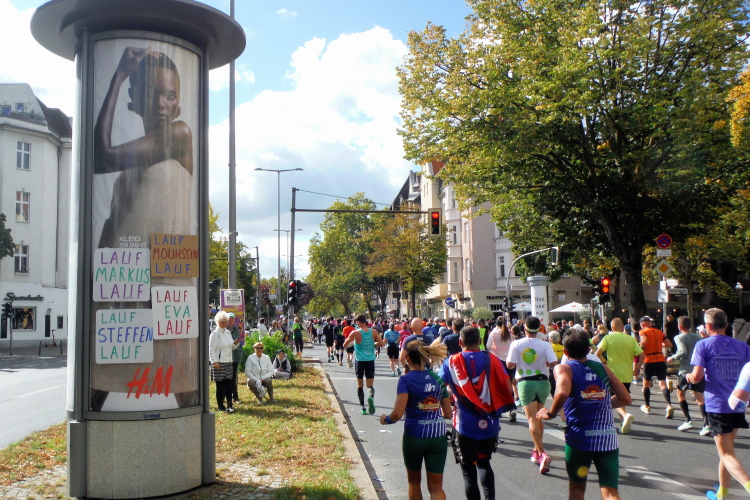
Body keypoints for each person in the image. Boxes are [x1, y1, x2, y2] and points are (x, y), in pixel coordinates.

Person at [537, 329, 632, 500]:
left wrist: (550, 414)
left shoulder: (564, 368)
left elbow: (562, 392)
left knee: (577, 488)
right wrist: (600, 402)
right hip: (607, 440)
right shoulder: (603, 368)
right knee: (611, 493)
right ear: (589, 350)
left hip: (579, 440)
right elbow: (625, 398)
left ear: (565, 351)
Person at [439, 325, 515, 500]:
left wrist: (450, 398)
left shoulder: (451, 362)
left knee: (468, 471)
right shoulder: (493, 359)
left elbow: (439, 387)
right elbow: (507, 387)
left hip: (464, 425)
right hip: (490, 423)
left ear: (460, 342)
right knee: (484, 464)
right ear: (480, 341)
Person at [685, 308, 750, 500]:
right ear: (726, 324)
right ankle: (722, 493)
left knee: (726, 455)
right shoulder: (742, 346)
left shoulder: (703, 345)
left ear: (708, 326)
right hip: (737, 403)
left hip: (717, 404)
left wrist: (688, 377)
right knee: (727, 451)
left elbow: (697, 377)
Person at [380, 340, 452, 500]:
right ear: (426, 357)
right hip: (438, 436)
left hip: (415, 436)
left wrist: (386, 420)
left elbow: (397, 414)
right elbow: (448, 414)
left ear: (407, 358)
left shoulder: (405, 380)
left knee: (414, 482)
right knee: (436, 486)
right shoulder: (438, 380)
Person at [507, 316, 558, 473]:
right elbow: (554, 363)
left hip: (525, 382)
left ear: (525, 329)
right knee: (539, 417)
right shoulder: (545, 344)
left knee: (532, 419)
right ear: (539, 328)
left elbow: (509, 364)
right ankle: (536, 451)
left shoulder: (516, 344)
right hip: (542, 382)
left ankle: (542, 453)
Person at [595, 317, 644, 434]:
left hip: (612, 373)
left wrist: (605, 362)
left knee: (616, 398)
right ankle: (623, 422)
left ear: (612, 327)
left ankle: (625, 415)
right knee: (620, 398)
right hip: (627, 374)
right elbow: (642, 355)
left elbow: (597, 353)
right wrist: (637, 368)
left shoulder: (608, 338)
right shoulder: (631, 339)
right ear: (623, 327)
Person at [666, 316, 708, 434]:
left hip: (685, 370)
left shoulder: (679, 337)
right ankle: (706, 424)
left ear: (679, 327)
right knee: (699, 397)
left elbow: (682, 351)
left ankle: (688, 420)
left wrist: (672, 358)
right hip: (698, 369)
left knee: (680, 394)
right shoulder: (698, 337)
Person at [343, 314, 385, 415]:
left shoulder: (355, 332)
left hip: (360, 361)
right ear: (365, 321)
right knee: (370, 385)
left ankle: (363, 408)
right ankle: (371, 397)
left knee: (360, 385)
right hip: (370, 360)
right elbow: (382, 344)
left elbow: (345, 344)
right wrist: (374, 344)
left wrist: (353, 343)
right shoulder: (373, 331)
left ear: (358, 322)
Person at [638, 316, 674, 418]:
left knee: (646, 384)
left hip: (649, 359)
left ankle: (647, 406)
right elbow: (669, 344)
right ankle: (669, 405)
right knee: (663, 384)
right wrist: (658, 345)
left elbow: (644, 341)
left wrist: (640, 348)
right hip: (660, 359)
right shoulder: (659, 332)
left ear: (642, 324)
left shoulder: (643, 332)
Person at [486, 318, 519, 421]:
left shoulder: (494, 333)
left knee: (497, 385)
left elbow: (488, 346)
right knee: (510, 384)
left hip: (498, 361)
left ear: (496, 324)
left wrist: (495, 349)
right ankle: (511, 410)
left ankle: (498, 409)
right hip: (509, 361)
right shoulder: (509, 333)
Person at [209, 311, 240, 413]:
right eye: (222, 322)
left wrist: (235, 344)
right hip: (219, 363)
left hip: (228, 362)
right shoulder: (215, 334)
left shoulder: (227, 332)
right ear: (217, 322)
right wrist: (214, 362)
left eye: (225, 321)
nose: (224, 324)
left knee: (229, 385)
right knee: (220, 386)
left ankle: (230, 405)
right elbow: (211, 349)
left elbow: (231, 347)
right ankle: (220, 405)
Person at [227, 313, 244, 404]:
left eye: (233, 319)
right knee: (225, 378)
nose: (231, 321)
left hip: (235, 357)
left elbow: (235, 341)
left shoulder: (236, 329)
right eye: (229, 319)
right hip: (225, 357)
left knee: (233, 378)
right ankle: (224, 397)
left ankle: (235, 397)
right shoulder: (223, 329)